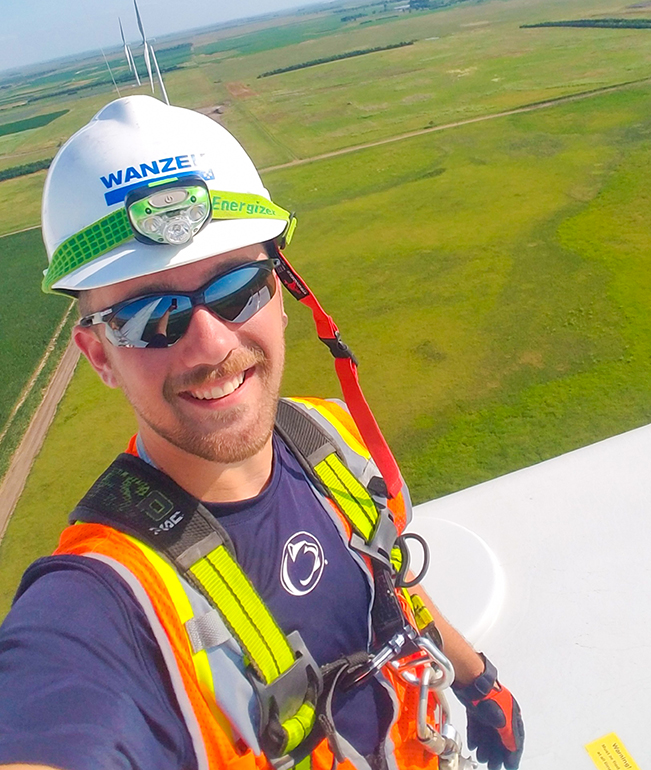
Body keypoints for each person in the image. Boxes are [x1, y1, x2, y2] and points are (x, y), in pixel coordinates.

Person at [0, 95, 524, 770]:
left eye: (236, 287)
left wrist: (479, 679)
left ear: (282, 293)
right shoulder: (106, 601)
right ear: (99, 355)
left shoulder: (325, 437)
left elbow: (390, 585)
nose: (210, 343)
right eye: (149, 318)